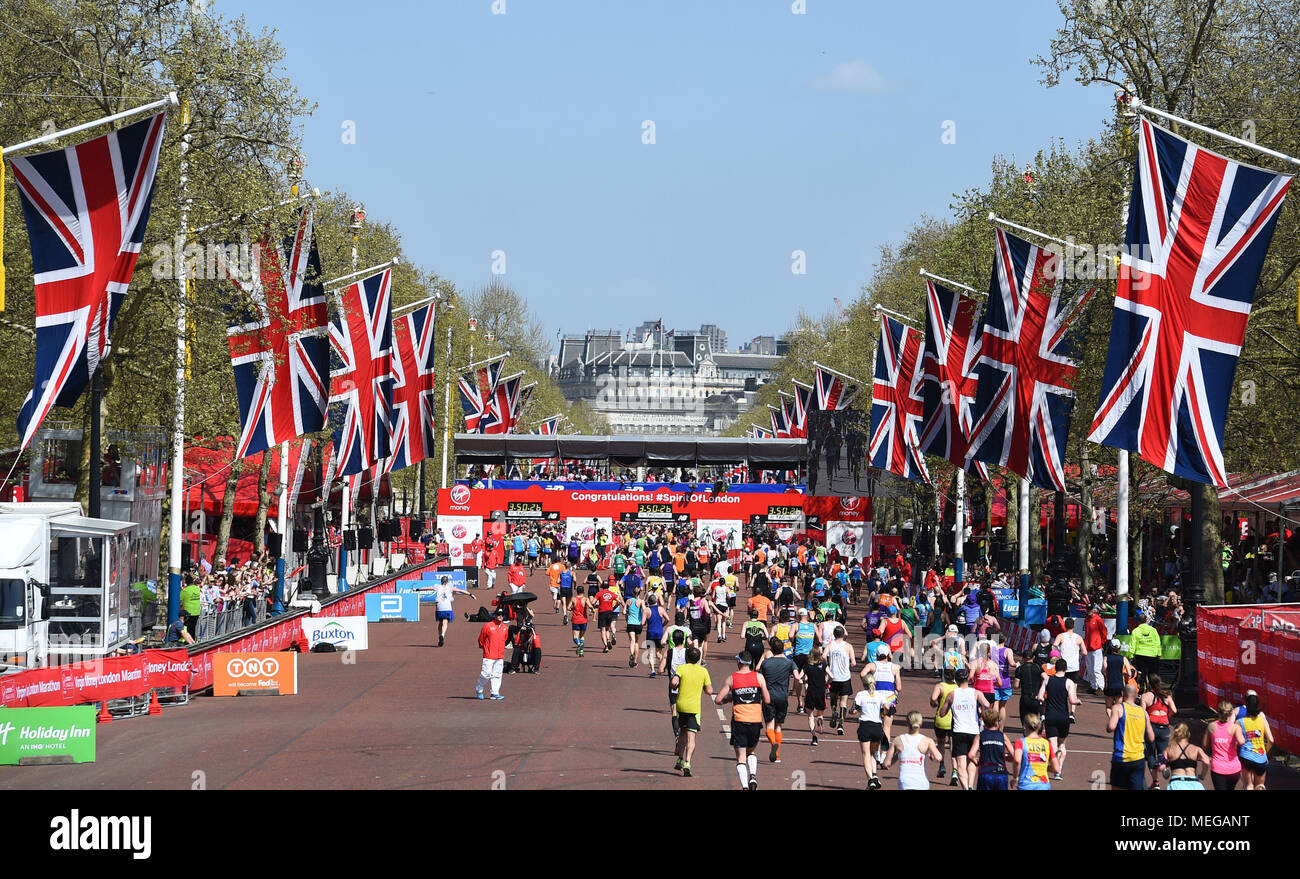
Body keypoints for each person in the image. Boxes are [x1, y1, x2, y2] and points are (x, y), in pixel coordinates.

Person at [714, 650, 770, 789]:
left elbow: (718, 699)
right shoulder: (759, 677)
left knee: (740, 757)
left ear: (739, 662)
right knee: (751, 751)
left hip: (739, 720)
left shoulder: (732, 678)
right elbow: (767, 699)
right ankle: (753, 776)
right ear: (750, 663)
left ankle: (745, 786)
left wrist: (731, 698)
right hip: (755, 720)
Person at [938, 667, 987, 789]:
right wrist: (981, 715)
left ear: (956, 680)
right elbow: (986, 704)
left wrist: (945, 705)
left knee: (960, 764)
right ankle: (970, 785)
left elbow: (942, 713)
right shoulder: (976, 692)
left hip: (959, 731)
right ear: (968, 679)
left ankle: (966, 788)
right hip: (974, 731)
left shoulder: (952, 694)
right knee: (972, 759)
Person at [672, 646, 713, 777]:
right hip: (694, 708)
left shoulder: (682, 668)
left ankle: (679, 759)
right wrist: (704, 689)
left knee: (682, 732)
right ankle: (687, 762)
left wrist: (676, 685)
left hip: (681, 706)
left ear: (687, 657)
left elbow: (674, 682)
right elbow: (710, 691)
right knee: (691, 736)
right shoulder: (703, 671)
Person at [758, 637, 797, 764]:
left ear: (771, 649)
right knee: (778, 725)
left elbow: (759, 675)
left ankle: (773, 743)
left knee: (769, 724)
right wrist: (794, 688)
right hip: (782, 696)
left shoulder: (766, 663)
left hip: (768, 696)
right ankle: (777, 755)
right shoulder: (789, 662)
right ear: (783, 649)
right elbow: (797, 676)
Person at [1037, 658, 1078, 780]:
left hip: (1050, 715)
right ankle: (1058, 771)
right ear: (1066, 669)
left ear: (1055, 668)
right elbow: (1072, 700)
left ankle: (1051, 767)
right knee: (1062, 745)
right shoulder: (1069, 682)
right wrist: (1078, 702)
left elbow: (1040, 697)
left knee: (1052, 745)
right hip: (1063, 717)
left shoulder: (1048, 679)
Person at [1107, 683, 1155, 789]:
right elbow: (1151, 737)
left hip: (1121, 757)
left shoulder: (1118, 708)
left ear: (1123, 693)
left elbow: (1111, 727)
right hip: (1138, 758)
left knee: (1117, 787)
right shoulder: (1143, 712)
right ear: (1136, 695)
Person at [885, 710, 942, 790]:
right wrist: (930, 755)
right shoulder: (928, 741)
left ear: (907, 723)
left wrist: (899, 755)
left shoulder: (897, 740)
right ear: (921, 723)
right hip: (921, 782)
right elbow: (938, 757)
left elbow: (887, 763)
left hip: (905, 782)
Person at [852, 672, 889, 789]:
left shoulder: (861, 694)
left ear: (864, 684)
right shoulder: (879, 695)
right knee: (873, 753)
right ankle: (874, 775)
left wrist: (853, 711)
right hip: (877, 727)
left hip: (865, 726)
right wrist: (883, 713)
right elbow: (887, 707)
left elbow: (854, 710)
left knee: (866, 754)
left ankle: (870, 779)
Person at [1141, 675, 1176, 790]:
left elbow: (1142, 713)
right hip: (1164, 727)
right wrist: (1167, 716)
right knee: (1163, 753)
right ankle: (1163, 765)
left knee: (1151, 753)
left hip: (1152, 727)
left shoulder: (1146, 696)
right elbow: (1174, 710)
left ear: (1149, 683)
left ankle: (1156, 782)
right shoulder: (1167, 696)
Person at [1205, 700, 1246, 790]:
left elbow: (1205, 744)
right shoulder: (1235, 727)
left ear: (1218, 712)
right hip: (1233, 768)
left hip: (1218, 768)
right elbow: (1241, 742)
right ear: (1231, 713)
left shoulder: (1211, 726)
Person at [863, 644, 900, 744]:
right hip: (890, 697)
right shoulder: (895, 667)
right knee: (887, 728)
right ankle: (884, 753)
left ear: (877, 654)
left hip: (876, 696)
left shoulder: (872, 665)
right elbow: (899, 688)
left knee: (876, 725)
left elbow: (862, 674)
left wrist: (868, 685)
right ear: (888, 654)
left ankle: (876, 751)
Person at [1236, 691, 1273, 790]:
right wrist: (1265, 752)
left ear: (1246, 706)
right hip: (1260, 756)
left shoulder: (1239, 722)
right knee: (1260, 786)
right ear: (1258, 706)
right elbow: (1271, 740)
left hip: (1245, 756)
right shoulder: (1263, 720)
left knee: (1248, 785)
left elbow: (1236, 741)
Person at [1012, 713, 1060, 790]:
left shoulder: (1020, 742)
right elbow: (1056, 769)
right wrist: (1044, 767)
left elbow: (1017, 760)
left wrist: (1015, 778)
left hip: (1026, 783)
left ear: (1024, 726)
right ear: (1039, 726)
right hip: (1043, 784)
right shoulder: (1046, 743)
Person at [971, 707, 1012, 790]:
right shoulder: (1002, 736)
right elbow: (1014, 754)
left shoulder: (980, 736)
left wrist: (977, 762)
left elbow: (971, 754)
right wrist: (1007, 758)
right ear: (997, 722)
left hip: (985, 772)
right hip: (1001, 773)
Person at [930, 666, 958, 784]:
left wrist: (934, 703)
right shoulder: (957, 688)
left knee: (941, 743)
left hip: (941, 719)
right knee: (953, 745)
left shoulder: (940, 686)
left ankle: (942, 765)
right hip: (954, 720)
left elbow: (933, 699)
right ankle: (955, 771)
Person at [474, 609, 510, 701]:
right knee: (486, 674)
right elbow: (481, 640)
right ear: (494, 615)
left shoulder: (505, 628)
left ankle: (495, 692)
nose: (500, 616)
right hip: (489, 655)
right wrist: (485, 649)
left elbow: (504, 639)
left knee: (497, 675)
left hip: (500, 655)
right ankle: (479, 689)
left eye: (502, 614)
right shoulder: (488, 626)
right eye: (498, 614)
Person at [1162, 722, 1210, 790]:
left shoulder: (1168, 750)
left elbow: (1161, 765)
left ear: (1175, 734)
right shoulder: (1196, 749)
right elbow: (1206, 761)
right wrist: (1202, 775)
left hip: (1176, 783)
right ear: (1188, 734)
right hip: (1194, 784)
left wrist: (1164, 771)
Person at [827, 625, 855, 736]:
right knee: (843, 702)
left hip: (834, 677)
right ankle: (841, 725)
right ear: (843, 635)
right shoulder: (848, 646)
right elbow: (853, 662)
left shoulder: (830, 645)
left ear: (834, 634)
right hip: (845, 678)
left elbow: (823, 656)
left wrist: (829, 665)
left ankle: (834, 711)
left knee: (833, 698)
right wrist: (850, 663)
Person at [430, 574, 471, 648]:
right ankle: (442, 634)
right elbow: (461, 590)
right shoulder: (450, 588)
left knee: (440, 622)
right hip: (447, 606)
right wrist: (470, 594)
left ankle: (440, 636)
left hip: (439, 606)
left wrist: (417, 589)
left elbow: (427, 588)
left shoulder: (437, 587)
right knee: (445, 621)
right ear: (447, 582)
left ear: (441, 581)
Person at [802, 645, 829, 746]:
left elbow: (799, 677)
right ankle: (820, 720)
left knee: (810, 716)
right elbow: (832, 675)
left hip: (811, 692)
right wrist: (827, 682)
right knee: (820, 713)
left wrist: (803, 680)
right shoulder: (823, 665)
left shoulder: (807, 666)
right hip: (821, 691)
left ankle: (814, 737)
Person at [1129, 611, 1161, 690]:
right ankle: (1154, 690)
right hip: (1153, 655)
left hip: (1140, 655)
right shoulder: (1153, 630)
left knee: (1142, 675)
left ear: (1138, 621)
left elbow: (1132, 644)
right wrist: (1159, 654)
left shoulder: (1135, 631)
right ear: (1146, 620)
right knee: (1153, 675)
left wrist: (1131, 655)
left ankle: (1143, 690)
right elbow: (1158, 643)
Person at [1053, 618, 1085, 685]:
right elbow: (1084, 652)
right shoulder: (1079, 637)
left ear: (1065, 625)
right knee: (1073, 688)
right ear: (1074, 625)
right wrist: (1078, 652)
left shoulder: (1060, 636)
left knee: (1062, 687)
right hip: (1074, 666)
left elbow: (1053, 648)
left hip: (1063, 666)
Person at [1084, 604, 1108, 692]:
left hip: (1096, 647)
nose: (1089, 611)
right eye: (1088, 609)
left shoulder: (1098, 619)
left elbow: (1104, 632)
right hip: (1088, 647)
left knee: (1096, 668)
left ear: (1093, 610)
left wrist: (1100, 643)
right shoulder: (1086, 620)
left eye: (1090, 609)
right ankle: (1093, 686)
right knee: (1090, 668)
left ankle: (1100, 687)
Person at [623, 586, 645, 668]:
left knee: (632, 640)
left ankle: (631, 654)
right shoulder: (641, 601)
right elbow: (644, 610)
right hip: (638, 624)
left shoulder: (628, 601)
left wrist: (627, 615)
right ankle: (635, 661)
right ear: (639, 593)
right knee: (636, 642)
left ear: (633, 592)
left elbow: (624, 611)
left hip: (630, 623)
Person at [570, 585, 590, 657]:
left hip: (575, 620)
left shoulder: (573, 599)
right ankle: (581, 652)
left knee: (575, 636)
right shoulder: (585, 599)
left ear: (577, 591)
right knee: (582, 636)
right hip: (583, 620)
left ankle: (578, 644)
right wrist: (592, 610)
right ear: (583, 591)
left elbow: (568, 608)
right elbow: (590, 606)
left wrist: (572, 608)